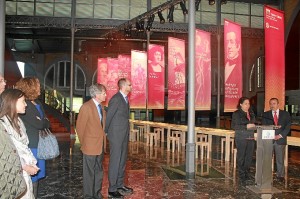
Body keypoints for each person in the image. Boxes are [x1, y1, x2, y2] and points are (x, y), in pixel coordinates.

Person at [0, 88, 40, 198]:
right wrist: (25, 167)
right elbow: (8, 153)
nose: (26, 105)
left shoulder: (18, 121)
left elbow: (23, 147)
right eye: (22, 101)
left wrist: (30, 163)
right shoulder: (3, 125)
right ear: (12, 102)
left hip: (23, 173)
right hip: (13, 173)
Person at [15, 77, 50, 198]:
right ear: (31, 87)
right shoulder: (26, 104)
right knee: (32, 176)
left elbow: (46, 122)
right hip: (32, 145)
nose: (40, 87)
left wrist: (43, 121)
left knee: (38, 175)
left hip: (41, 144)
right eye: (38, 85)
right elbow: (39, 124)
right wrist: (43, 121)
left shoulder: (38, 103)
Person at [76, 84, 107, 199]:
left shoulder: (101, 107)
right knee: (89, 173)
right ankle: (89, 195)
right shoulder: (86, 107)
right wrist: (85, 144)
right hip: (90, 146)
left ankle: (97, 193)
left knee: (99, 171)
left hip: (100, 146)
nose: (105, 95)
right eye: (104, 93)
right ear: (97, 94)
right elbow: (80, 128)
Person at [0, 73, 27, 198]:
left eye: (4, 80)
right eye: (1, 80)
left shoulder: (17, 120)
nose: (5, 83)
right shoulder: (4, 122)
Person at [105, 78, 133, 198]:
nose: (131, 86)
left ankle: (120, 184)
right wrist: (106, 132)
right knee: (115, 161)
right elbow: (109, 116)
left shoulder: (125, 99)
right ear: (123, 86)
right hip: (116, 135)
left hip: (123, 135)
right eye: (129, 85)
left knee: (122, 161)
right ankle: (112, 189)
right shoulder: (116, 99)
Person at [261, 98, 291, 182]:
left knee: (280, 159)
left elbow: (288, 126)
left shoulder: (285, 114)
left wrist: (280, 135)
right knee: (267, 158)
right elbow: (264, 126)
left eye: (274, 103)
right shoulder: (265, 114)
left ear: (278, 104)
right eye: (270, 103)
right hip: (269, 140)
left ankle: (280, 175)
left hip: (280, 140)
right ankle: (266, 174)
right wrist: (272, 135)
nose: (272, 105)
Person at [231, 97, 256, 186]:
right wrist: (246, 126)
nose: (247, 105)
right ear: (241, 104)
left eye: (248, 104)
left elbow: (253, 123)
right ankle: (241, 174)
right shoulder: (236, 113)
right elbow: (234, 126)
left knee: (249, 157)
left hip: (251, 137)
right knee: (241, 156)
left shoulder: (251, 113)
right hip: (241, 137)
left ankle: (247, 173)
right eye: (245, 103)